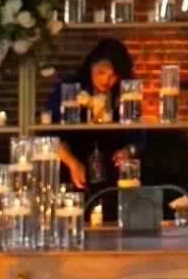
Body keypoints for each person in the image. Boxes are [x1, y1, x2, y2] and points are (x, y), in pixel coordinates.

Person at [45, 38, 146, 197]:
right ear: (91, 65)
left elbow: (139, 136)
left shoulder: (125, 95)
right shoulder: (71, 88)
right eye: (101, 72)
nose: (106, 80)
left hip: (112, 173)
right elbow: (50, 132)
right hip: (73, 169)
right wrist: (72, 163)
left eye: (113, 76)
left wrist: (128, 150)